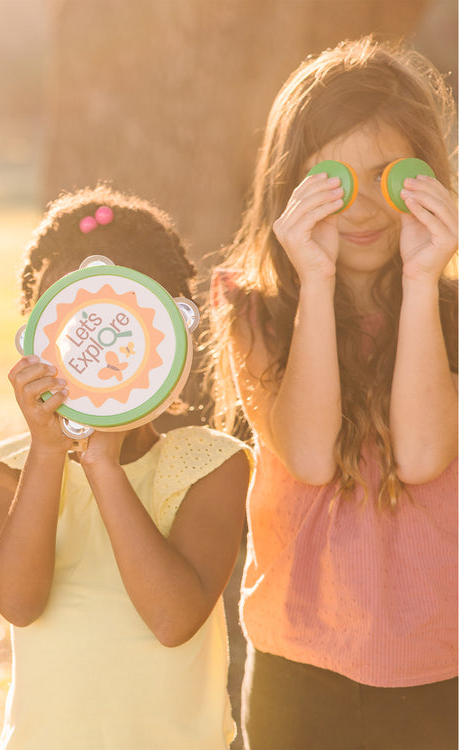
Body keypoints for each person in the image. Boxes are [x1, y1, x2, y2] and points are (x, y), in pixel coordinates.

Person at [207, 37, 458, 750]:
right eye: (333, 180)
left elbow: (421, 453)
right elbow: (311, 456)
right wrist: (313, 281)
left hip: (442, 667)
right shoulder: (254, 315)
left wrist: (419, 283)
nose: (364, 206)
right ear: (291, 185)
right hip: (301, 668)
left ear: (428, 177)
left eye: (388, 175)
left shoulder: (452, 314)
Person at [0, 184, 253, 750]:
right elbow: (19, 605)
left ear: (172, 332)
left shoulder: (210, 463)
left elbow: (174, 620)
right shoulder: (9, 467)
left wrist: (101, 459)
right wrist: (51, 451)